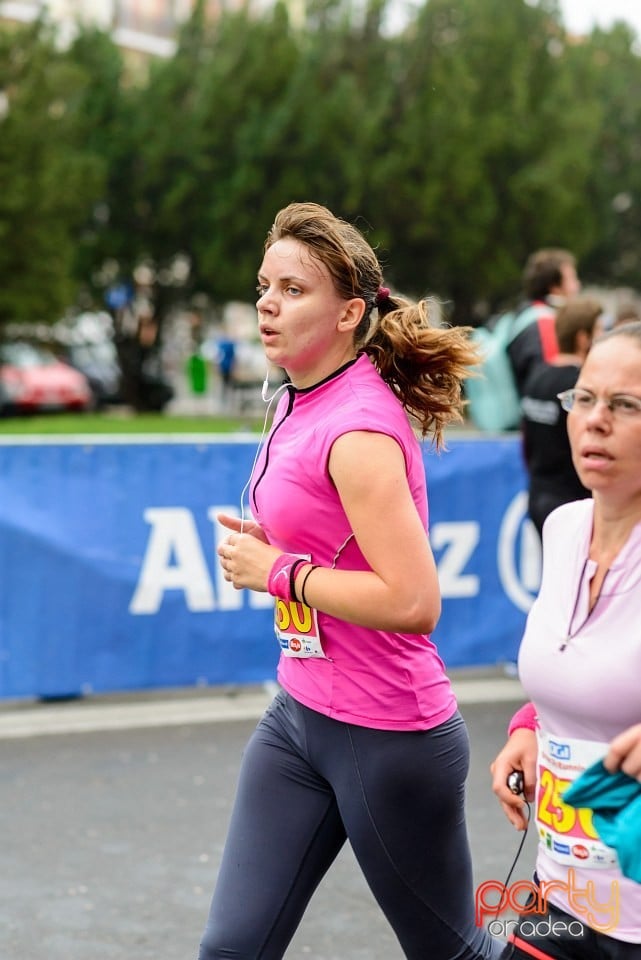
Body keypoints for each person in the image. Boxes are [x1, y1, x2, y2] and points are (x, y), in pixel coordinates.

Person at [198, 202, 509, 960]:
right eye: (264, 285)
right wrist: (284, 546)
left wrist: (277, 570)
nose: (267, 303)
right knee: (231, 950)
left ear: (346, 314)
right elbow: (332, 543)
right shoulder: (295, 395)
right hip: (298, 719)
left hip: (389, 737)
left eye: (293, 290)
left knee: (454, 953)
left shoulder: (360, 428)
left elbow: (412, 601)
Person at [490, 320, 641, 958]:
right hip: (563, 900)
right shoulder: (563, 527)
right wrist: (530, 725)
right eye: (583, 399)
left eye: (625, 405)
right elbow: (574, 666)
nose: (594, 421)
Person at [521, 295, 603, 537]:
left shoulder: (537, 377)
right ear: (583, 337)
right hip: (573, 501)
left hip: (538, 494)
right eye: (600, 330)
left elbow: (527, 443)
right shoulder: (582, 385)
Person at [507, 248, 581, 398]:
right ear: (554, 286)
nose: (578, 285)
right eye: (572, 279)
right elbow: (548, 378)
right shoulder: (544, 321)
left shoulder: (526, 312)